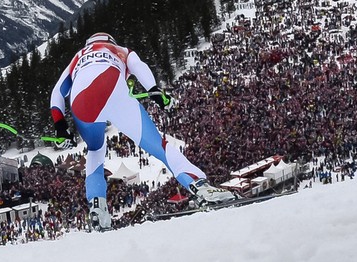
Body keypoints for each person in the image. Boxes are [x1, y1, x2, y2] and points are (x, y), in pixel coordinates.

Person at [49, 32, 235, 230]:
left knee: (95, 150)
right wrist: (154, 90)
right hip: (112, 87)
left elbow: (57, 91)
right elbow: (139, 66)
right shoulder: (119, 50)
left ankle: (97, 209)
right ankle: (200, 186)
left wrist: (60, 126)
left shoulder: (77, 57)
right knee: (159, 146)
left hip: (81, 101)